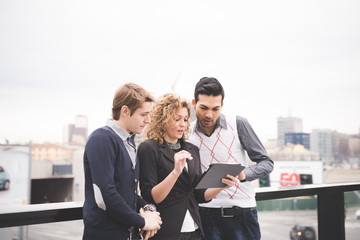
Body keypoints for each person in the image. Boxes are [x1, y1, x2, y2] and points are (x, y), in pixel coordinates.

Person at [138, 93, 238, 240]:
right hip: (166, 230)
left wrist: (222, 185)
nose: (183, 124)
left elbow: (199, 194)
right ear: (163, 119)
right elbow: (152, 197)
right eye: (177, 119)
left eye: (185, 119)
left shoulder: (192, 149)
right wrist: (176, 172)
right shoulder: (148, 148)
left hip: (195, 228)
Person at [188, 77, 274, 240]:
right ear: (194, 103)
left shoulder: (238, 124)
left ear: (222, 105)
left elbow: (267, 163)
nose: (209, 114)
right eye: (203, 107)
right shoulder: (187, 133)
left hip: (243, 215)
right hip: (205, 215)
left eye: (215, 109)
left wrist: (243, 175)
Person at [83, 83, 162, 240]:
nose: (148, 120)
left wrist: (148, 209)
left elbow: (128, 192)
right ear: (125, 111)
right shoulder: (102, 138)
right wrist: (143, 222)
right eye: (143, 114)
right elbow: (106, 195)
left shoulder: (129, 141)